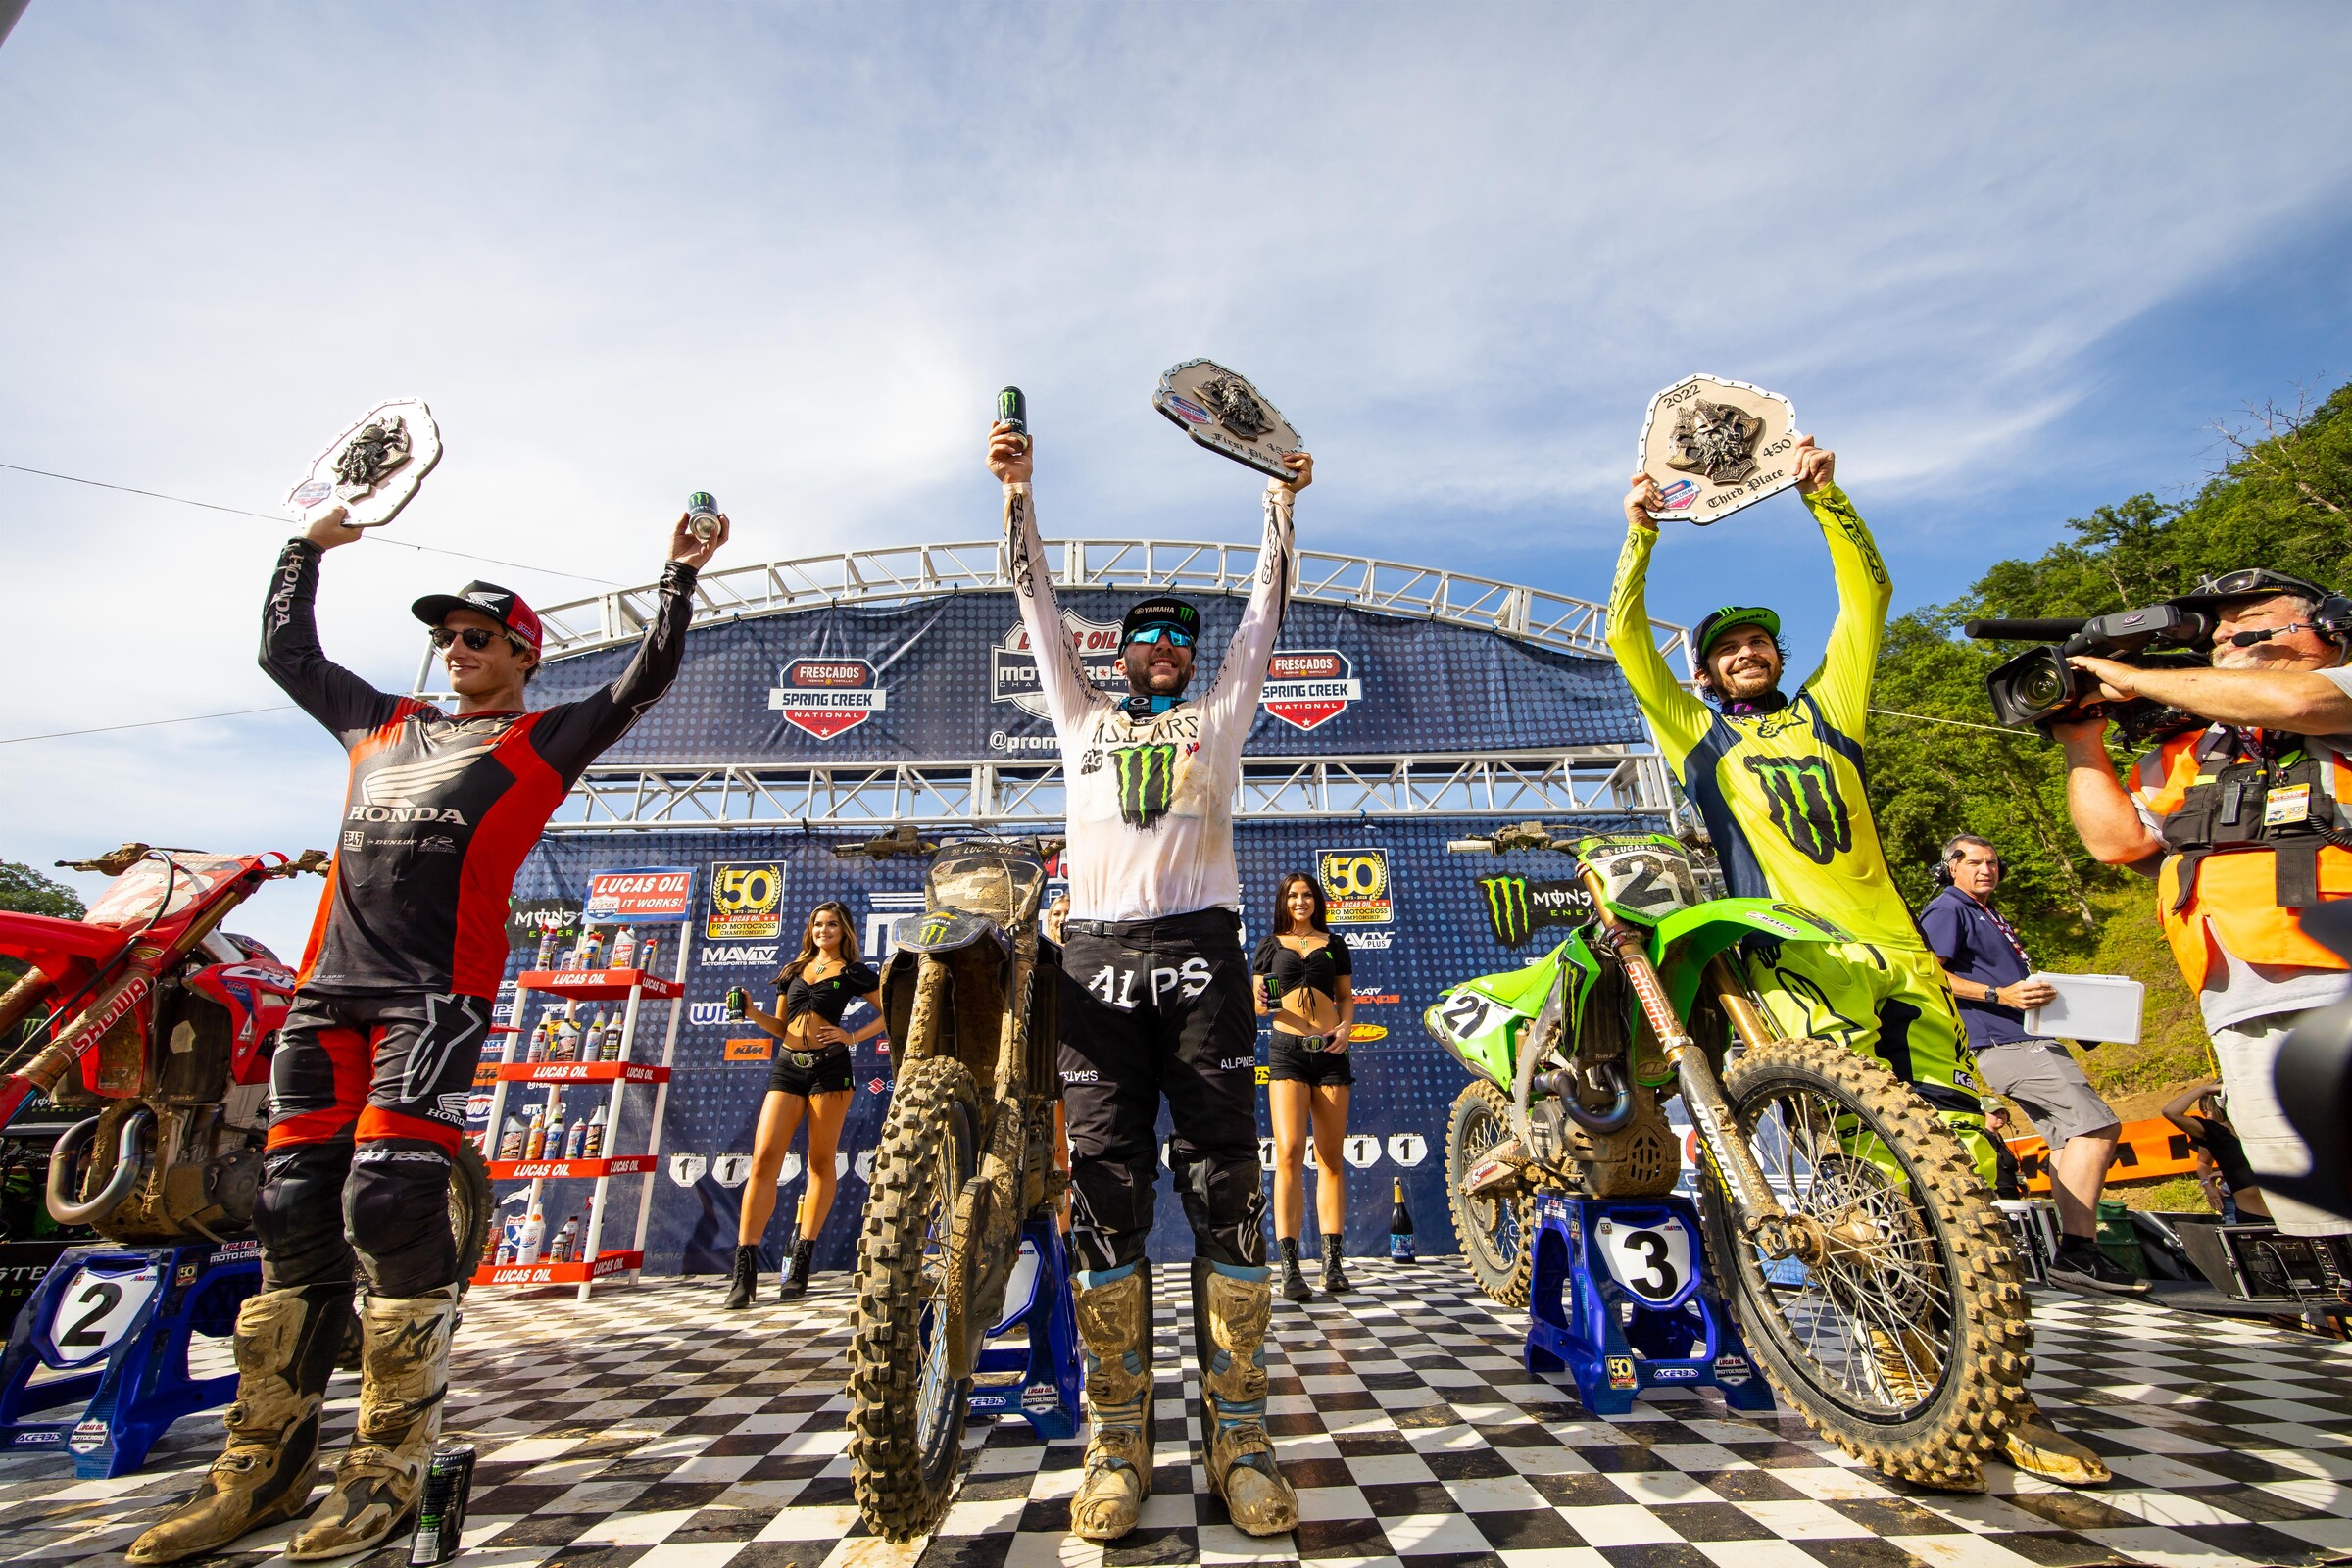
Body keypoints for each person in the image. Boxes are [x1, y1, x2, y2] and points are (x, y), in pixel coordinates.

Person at [131, 502, 725, 1564]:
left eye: (478, 636)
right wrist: (305, 548)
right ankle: (259, 1471)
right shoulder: (381, 722)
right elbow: (283, 649)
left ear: (519, 655)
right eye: (446, 635)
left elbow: (642, 682)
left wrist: (677, 578)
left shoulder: (541, 740)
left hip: (431, 998)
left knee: (391, 1198)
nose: (456, 649)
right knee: (291, 1214)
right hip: (327, 999)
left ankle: (387, 1473)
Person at [1609, 441, 2108, 1489]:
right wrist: (1640, 531)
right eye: (1729, 645)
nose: (1749, 651)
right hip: (1797, 960)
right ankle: (1902, 1359)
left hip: (1897, 957)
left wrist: (1825, 500)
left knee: (1960, 1166)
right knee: (1859, 1164)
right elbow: (1622, 637)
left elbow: (1868, 594)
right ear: (1703, 670)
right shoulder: (1695, 732)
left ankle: (1994, 1388)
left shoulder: (1832, 711)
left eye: (1761, 641)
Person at [990, 415, 1310, 1541]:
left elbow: (1264, 620)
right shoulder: (1078, 717)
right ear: (1117, 655)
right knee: (1108, 1193)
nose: (1166, 646)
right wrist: (1020, 495)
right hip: (1097, 961)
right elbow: (1032, 605)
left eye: (1181, 635)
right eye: (1147, 637)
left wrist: (1280, 507)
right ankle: (1117, 1444)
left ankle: (1241, 1434)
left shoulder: (1220, 718)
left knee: (1228, 1186)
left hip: (1204, 959)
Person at [2056, 567, 2352, 1240]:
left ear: (2329, 630)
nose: (2224, 641)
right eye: (2217, 635)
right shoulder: (2194, 749)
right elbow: (2117, 843)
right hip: (2239, 1004)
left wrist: (2133, 678)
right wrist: (2080, 740)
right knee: (2325, 1220)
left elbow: (2300, 705)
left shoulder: (2338, 692)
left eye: (2250, 629)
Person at [1921, 836, 2146, 1294]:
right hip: (2004, 1040)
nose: (1987, 869)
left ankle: (2079, 1253)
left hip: (2026, 1037)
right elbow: (1926, 971)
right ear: (1951, 867)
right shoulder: (1949, 908)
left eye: (1994, 861)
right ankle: (2079, 1253)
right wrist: (1996, 995)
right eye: (1975, 862)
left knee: (2069, 1138)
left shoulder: (1986, 913)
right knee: (2095, 1127)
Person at [721, 902, 883, 1308]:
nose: (823, 930)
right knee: (762, 1160)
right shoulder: (793, 971)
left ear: (844, 930)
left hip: (831, 1071)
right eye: (817, 924)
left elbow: (895, 1011)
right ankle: (745, 1271)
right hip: (788, 1068)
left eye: (831, 925)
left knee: (820, 1163)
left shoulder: (853, 972)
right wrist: (753, 1012)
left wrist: (853, 1036)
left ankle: (800, 1263)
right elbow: (780, 1028)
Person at [1252, 872, 1357, 1302]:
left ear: (1317, 901)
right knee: (1290, 1151)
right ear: (1284, 901)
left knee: (1330, 1158)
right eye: (1293, 896)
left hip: (1331, 1053)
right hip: (1286, 1053)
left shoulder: (1334, 944)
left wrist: (1347, 1027)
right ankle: (1290, 1268)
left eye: (1308, 895)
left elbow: (1345, 996)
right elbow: (1258, 1006)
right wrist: (1260, 998)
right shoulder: (1269, 946)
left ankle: (1332, 1263)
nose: (1301, 901)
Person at [2161, 1079, 2270, 1222]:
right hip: (2255, 1216)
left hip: (2292, 1215)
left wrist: (2225, 1172)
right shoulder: (2217, 1132)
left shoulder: (2265, 1127)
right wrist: (2205, 1089)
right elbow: (2171, 1112)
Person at [1983, 1102, 2026, 1201]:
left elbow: (2013, 1164)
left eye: (2003, 1112)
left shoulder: (1998, 1137)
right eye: (1995, 1113)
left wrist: (2022, 1183)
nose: (2001, 1116)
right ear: (1983, 1114)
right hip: (2000, 1195)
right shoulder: (1984, 1137)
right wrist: (1994, 1193)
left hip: (2011, 1193)